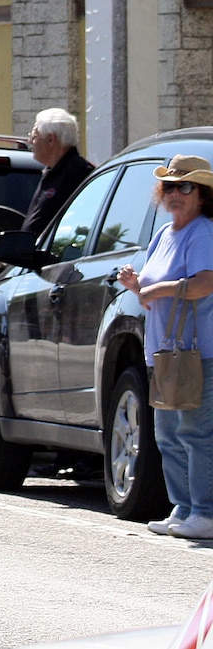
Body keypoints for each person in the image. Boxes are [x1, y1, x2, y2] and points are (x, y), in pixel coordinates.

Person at [117, 155, 213, 539]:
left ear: (202, 195)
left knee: (195, 433)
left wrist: (160, 288)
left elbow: (206, 282)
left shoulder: (203, 231)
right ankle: (184, 508)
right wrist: (137, 285)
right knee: (168, 435)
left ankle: (205, 512)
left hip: (198, 353)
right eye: (170, 186)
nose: (175, 193)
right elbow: (151, 293)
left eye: (185, 186)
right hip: (165, 352)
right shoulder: (164, 234)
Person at [22, 108, 94, 236]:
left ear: (50, 139)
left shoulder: (79, 173)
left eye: (34, 136)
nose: (30, 141)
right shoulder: (52, 172)